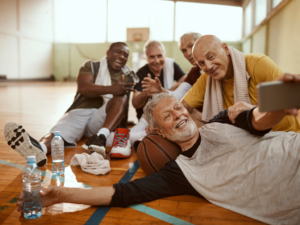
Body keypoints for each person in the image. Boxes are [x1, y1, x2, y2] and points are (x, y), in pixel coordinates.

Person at [16, 74, 300, 225]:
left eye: (178, 108)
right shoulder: (180, 173)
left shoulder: (221, 121)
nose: (178, 114)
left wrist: (277, 107)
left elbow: (259, 121)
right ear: (156, 131)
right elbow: (122, 193)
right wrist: (59, 195)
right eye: (168, 116)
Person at [5, 42, 139, 167]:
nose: (121, 56)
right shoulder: (91, 66)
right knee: (57, 133)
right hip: (80, 111)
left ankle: (100, 138)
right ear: (108, 53)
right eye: (118, 52)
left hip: (102, 119)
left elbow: (122, 106)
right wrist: (112, 89)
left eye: (125, 55)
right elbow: (84, 87)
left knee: (120, 99)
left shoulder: (129, 76)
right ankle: (40, 149)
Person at [182, 35, 300, 133]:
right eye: (201, 63)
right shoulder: (206, 78)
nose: (208, 66)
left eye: (211, 56)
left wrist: (252, 111)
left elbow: (289, 101)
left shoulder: (259, 63)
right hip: (243, 141)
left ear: (226, 49)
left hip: (282, 133)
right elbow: (181, 107)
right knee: (189, 114)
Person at [129, 40, 186, 145]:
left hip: (168, 115)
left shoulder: (170, 65)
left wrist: (167, 90)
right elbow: (135, 103)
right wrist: (146, 92)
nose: (157, 60)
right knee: (129, 136)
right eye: (152, 57)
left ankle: (147, 139)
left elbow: (186, 80)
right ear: (146, 58)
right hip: (147, 118)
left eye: (159, 56)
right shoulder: (141, 73)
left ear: (164, 55)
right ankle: (143, 137)